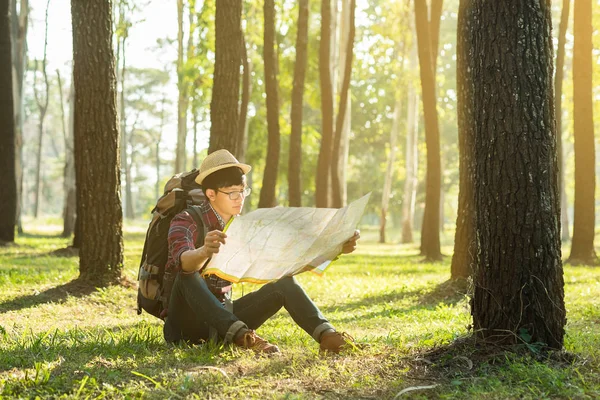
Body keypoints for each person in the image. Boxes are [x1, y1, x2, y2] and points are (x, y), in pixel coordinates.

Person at [163, 149, 361, 354]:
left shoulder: (240, 227)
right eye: (232, 192)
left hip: (224, 321)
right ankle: (243, 337)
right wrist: (204, 251)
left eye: (243, 191)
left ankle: (327, 336)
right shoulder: (185, 220)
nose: (239, 198)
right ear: (210, 194)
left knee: (284, 283)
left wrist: (334, 249)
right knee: (187, 276)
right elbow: (183, 262)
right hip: (186, 327)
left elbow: (280, 265)